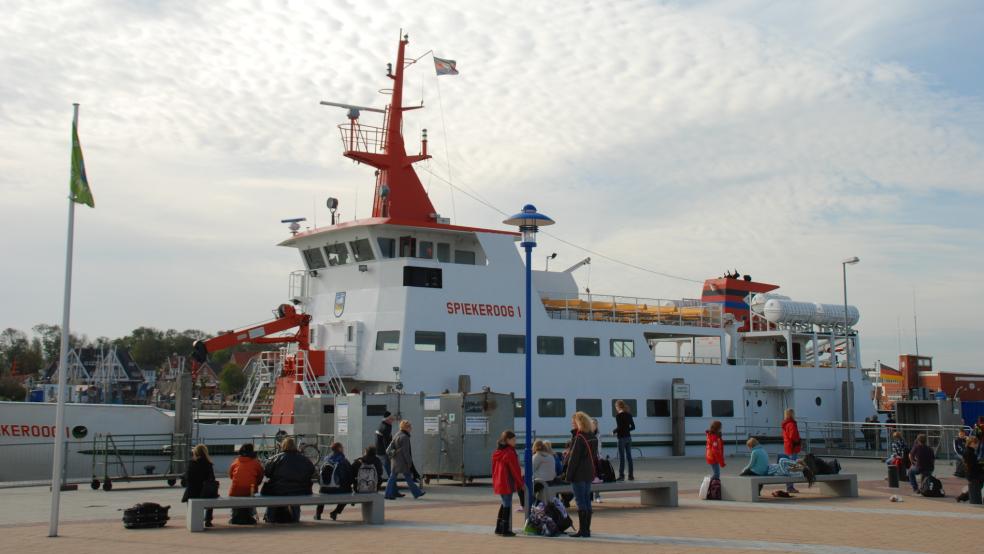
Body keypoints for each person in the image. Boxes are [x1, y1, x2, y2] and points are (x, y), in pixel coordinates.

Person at [261, 437, 316, 523]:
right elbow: (312, 471)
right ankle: (295, 517)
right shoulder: (304, 459)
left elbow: (267, 472)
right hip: (300, 489)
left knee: (270, 492)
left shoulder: (275, 459)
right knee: (295, 497)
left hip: (278, 489)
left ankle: (269, 517)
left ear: (283, 446)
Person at [565, 411, 597, 538]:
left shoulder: (579, 438)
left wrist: (568, 475)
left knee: (580, 501)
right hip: (589, 473)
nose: (572, 424)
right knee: (586, 500)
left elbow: (574, 459)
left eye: (573, 422)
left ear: (579, 423)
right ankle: (587, 530)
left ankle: (582, 530)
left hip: (578, 473)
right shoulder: (592, 436)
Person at [491, 430, 524, 537]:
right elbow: (515, 470)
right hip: (507, 482)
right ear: (508, 440)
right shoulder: (510, 452)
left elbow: (493, 468)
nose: (515, 442)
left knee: (504, 503)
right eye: (514, 440)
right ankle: (505, 529)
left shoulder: (498, 452)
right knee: (507, 504)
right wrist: (520, 484)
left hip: (499, 481)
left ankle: (498, 527)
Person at [384, 420, 425, 500]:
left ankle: (417, 492)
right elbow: (406, 452)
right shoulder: (405, 437)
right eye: (409, 427)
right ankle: (416, 493)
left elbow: (390, 447)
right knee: (405, 477)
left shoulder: (397, 434)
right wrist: (409, 462)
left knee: (394, 477)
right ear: (406, 428)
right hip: (402, 461)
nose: (411, 428)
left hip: (395, 460)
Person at [315, 442, 353, 521]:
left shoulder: (326, 459)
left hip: (325, 489)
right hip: (339, 489)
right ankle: (335, 512)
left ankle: (318, 513)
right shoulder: (343, 461)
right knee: (348, 492)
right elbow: (350, 477)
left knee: (322, 491)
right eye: (342, 447)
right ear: (339, 449)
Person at [182, 444, 218, 527]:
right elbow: (212, 479)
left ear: (195, 453)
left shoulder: (191, 463)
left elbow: (187, 479)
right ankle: (208, 520)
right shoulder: (208, 464)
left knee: (189, 492)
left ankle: (192, 519)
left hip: (192, 492)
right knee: (211, 495)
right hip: (204, 492)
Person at [228, 443, 264, 524]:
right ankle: (250, 515)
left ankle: (234, 516)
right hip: (250, 490)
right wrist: (256, 484)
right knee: (251, 495)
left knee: (235, 494)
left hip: (235, 490)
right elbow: (260, 476)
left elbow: (230, 476)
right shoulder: (256, 463)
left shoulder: (235, 462)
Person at [613, 400, 636, 481]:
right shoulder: (629, 415)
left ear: (618, 407)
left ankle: (621, 476)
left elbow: (619, 427)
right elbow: (633, 427)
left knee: (622, 457)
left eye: (616, 407)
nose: (615, 408)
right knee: (629, 457)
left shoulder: (618, 416)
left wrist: (614, 431)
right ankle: (631, 476)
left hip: (621, 438)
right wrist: (627, 430)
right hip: (629, 438)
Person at [781, 409, 802, 493]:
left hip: (788, 447)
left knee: (789, 466)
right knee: (792, 467)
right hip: (793, 448)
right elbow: (793, 436)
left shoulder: (785, 424)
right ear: (792, 414)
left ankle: (789, 486)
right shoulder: (791, 424)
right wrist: (798, 442)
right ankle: (790, 487)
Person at [962, 436, 983, 504]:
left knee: (977, 486)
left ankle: (963, 497)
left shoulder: (970, 451)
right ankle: (964, 497)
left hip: (971, 474)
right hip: (972, 474)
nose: (977, 445)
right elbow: (973, 466)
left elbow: (973, 465)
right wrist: (981, 467)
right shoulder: (969, 452)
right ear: (971, 443)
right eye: (976, 443)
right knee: (977, 485)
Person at [375, 412, 395, 478]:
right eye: (391, 419)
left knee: (384, 468)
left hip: (379, 451)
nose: (393, 420)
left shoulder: (383, 424)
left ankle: (392, 485)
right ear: (387, 419)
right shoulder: (386, 427)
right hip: (383, 452)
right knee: (389, 469)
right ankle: (392, 486)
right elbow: (386, 441)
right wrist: (391, 453)